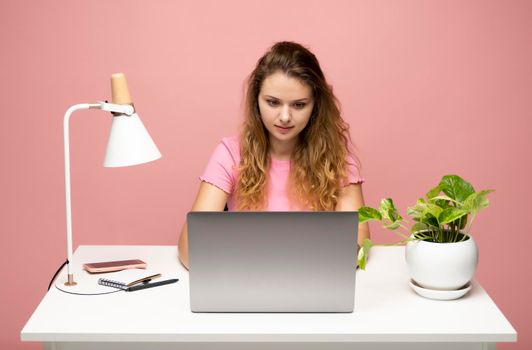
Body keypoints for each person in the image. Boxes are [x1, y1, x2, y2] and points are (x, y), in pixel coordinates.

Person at [178, 41, 370, 269]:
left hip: (311, 280)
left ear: (315, 106)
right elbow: (190, 248)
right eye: (272, 103)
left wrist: (309, 265)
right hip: (246, 278)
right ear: (256, 101)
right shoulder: (230, 153)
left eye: (299, 105)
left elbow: (359, 240)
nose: (285, 117)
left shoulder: (337, 158)